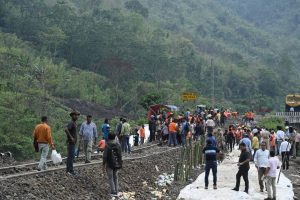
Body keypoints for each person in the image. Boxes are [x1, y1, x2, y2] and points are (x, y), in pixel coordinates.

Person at [103, 132, 122, 197]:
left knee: (110, 177)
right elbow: (120, 154)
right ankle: (116, 191)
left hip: (110, 163)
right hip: (117, 163)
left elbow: (105, 156)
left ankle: (113, 191)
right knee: (115, 177)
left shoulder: (107, 145)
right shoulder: (118, 144)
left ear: (108, 137)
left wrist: (103, 164)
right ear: (114, 137)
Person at [65, 110, 80, 176]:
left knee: (71, 157)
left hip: (72, 143)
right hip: (71, 142)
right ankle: (70, 171)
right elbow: (66, 129)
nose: (76, 116)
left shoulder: (74, 123)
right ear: (72, 116)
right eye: (75, 115)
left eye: (77, 115)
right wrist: (71, 137)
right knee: (71, 157)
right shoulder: (71, 123)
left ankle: (69, 170)